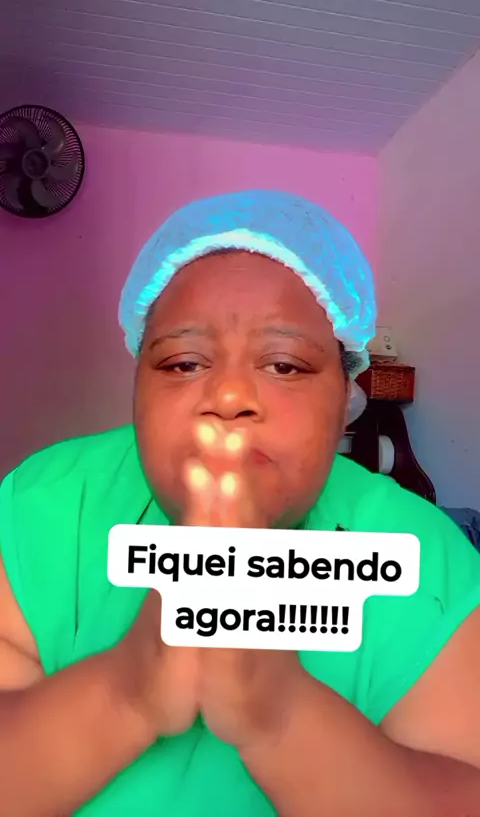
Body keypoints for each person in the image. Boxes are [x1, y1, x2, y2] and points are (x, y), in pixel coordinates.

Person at [1, 190, 480, 817]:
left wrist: (282, 716)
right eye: (182, 363)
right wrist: (126, 693)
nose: (229, 397)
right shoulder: (44, 506)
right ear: (136, 384)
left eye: (285, 365)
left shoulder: (424, 558)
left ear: (347, 398)